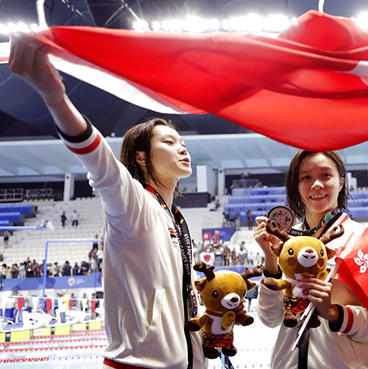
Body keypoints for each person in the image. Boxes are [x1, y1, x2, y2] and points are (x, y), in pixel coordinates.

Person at [7, 34, 240, 369]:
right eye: (170, 142)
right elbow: (99, 160)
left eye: (183, 142)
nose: (182, 148)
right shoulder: (134, 203)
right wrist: (53, 95)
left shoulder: (174, 215)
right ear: (142, 158)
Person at [254, 150, 368, 368]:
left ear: (341, 182)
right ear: (296, 186)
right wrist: (270, 260)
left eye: (326, 175)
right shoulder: (286, 242)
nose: (316, 184)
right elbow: (269, 319)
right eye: (306, 177)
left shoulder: (364, 239)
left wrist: (335, 313)